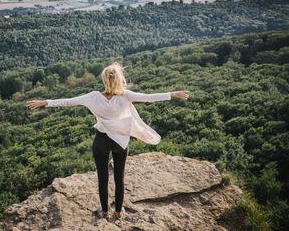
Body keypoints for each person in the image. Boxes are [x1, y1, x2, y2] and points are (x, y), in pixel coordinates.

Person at [26, 62, 189, 221]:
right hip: (120, 142)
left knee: (102, 179)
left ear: (104, 80)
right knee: (119, 178)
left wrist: (45, 102)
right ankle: (118, 212)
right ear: (120, 79)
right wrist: (172, 94)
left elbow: (68, 101)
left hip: (101, 142)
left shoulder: (92, 97)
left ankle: (104, 212)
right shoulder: (125, 95)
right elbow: (149, 98)